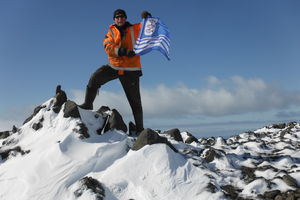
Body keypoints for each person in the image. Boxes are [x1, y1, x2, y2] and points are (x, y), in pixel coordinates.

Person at [79, 9, 151, 134]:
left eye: (122, 16)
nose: (120, 19)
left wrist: (148, 18)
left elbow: (149, 29)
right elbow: (108, 47)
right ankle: (88, 104)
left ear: (126, 18)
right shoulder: (111, 31)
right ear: (114, 19)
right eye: (117, 17)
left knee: (135, 101)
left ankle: (140, 129)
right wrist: (124, 51)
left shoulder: (135, 28)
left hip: (131, 69)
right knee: (94, 79)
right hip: (115, 66)